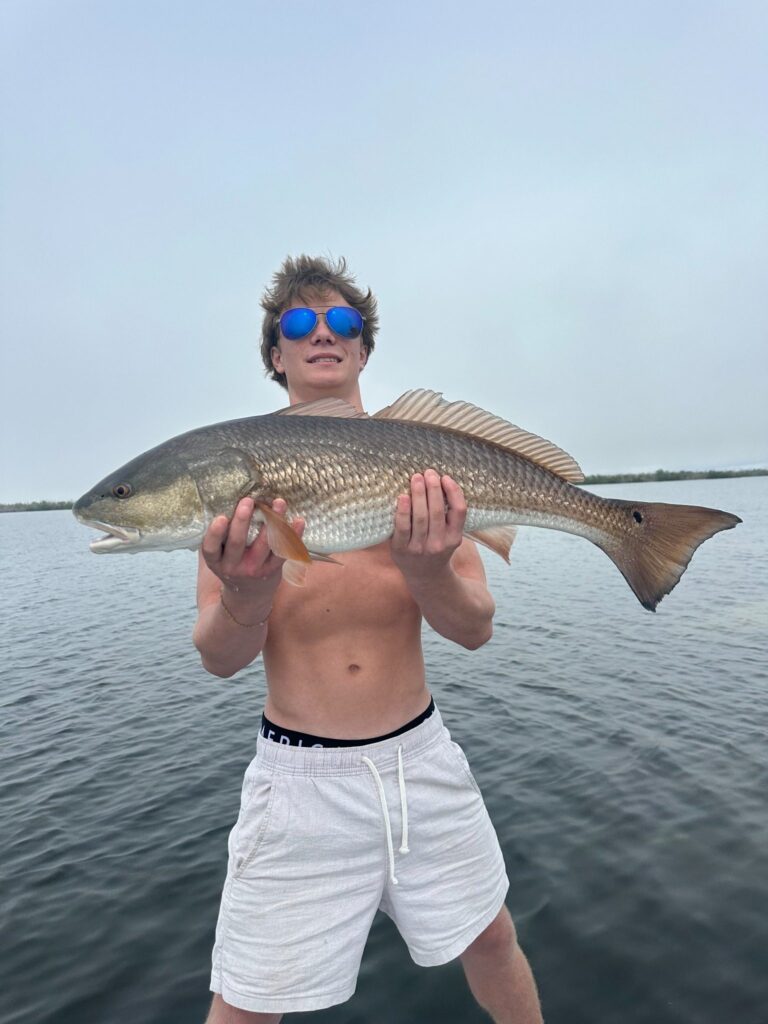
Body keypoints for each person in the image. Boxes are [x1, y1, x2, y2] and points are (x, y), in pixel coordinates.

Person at [193, 255, 544, 1024]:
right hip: (299, 782)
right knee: (246, 1000)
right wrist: (246, 594)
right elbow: (218, 658)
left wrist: (428, 569)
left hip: (421, 759)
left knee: (492, 939)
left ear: (362, 348)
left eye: (342, 322)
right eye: (300, 322)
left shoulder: (423, 463)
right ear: (275, 354)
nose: (323, 333)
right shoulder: (235, 477)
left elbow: (475, 629)